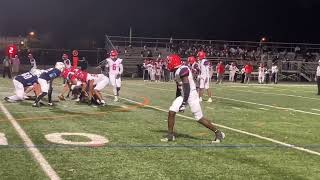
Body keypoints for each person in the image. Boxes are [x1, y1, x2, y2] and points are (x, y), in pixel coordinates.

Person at [160, 54, 225, 143]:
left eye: (169, 61)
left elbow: (187, 87)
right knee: (171, 111)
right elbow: (179, 88)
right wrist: (177, 99)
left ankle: (219, 133)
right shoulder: (177, 71)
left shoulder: (183, 69)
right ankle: (170, 135)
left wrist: (183, 103)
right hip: (184, 95)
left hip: (191, 95)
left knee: (199, 118)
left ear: (174, 62)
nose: (168, 63)